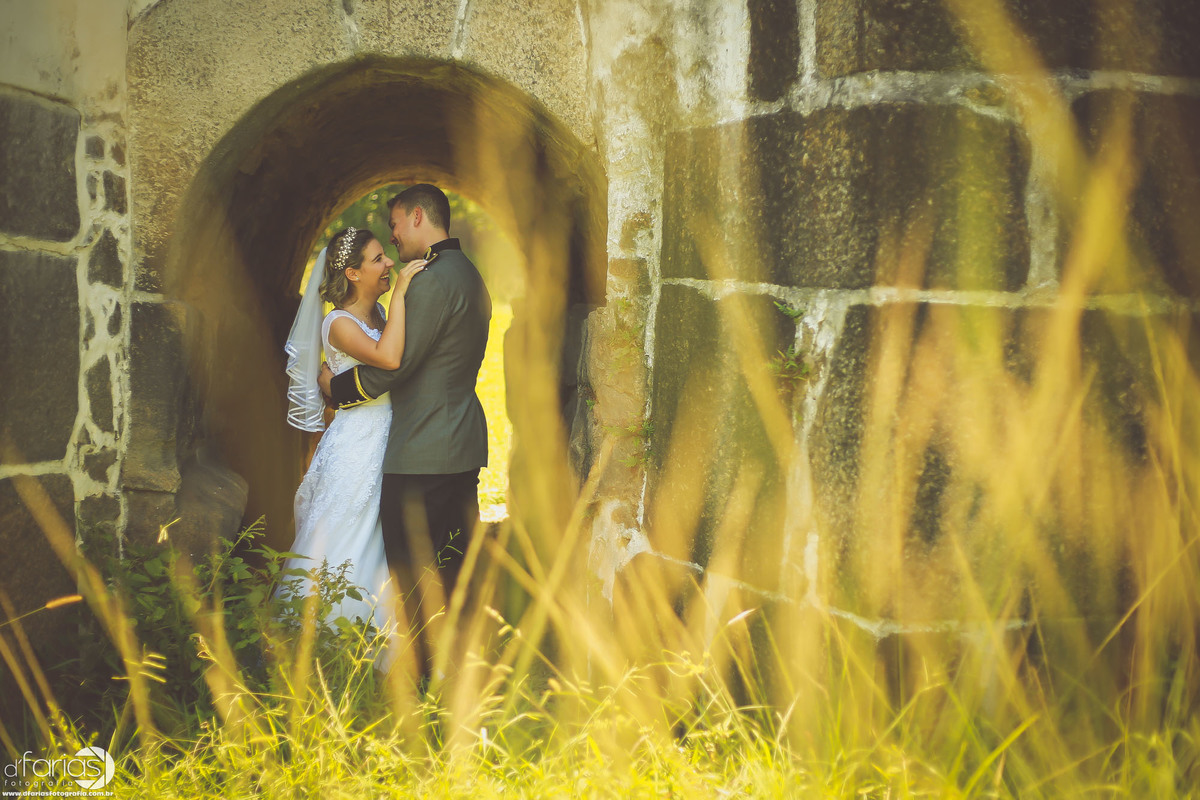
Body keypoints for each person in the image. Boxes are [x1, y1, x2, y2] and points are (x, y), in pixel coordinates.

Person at [319, 184, 491, 681]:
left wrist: (337, 388)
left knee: (412, 570)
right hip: (456, 442)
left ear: (418, 217)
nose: (393, 240)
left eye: (394, 227)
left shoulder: (433, 280)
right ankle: (452, 665)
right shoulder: (470, 274)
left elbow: (396, 365)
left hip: (422, 451)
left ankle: (421, 674)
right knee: (453, 563)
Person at [282, 226, 427, 666]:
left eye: (387, 257)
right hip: (357, 444)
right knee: (347, 532)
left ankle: (383, 646)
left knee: (382, 538)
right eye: (378, 259)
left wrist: (393, 304)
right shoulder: (338, 323)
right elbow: (387, 359)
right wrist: (402, 292)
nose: (389, 265)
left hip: (389, 437)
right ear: (352, 273)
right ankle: (327, 646)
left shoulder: (379, 314)